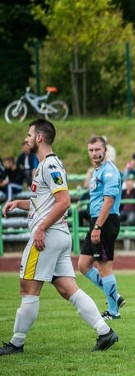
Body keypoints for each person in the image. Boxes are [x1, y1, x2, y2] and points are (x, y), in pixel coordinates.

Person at [0, 119, 118, 355]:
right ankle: (105, 332)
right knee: (68, 289)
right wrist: (20, 204)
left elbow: (64, 202)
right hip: (59, 236)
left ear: (40, 138)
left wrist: (41, 228)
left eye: (29, 134)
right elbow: (44, 203)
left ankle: (16, 343)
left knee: (28, 287)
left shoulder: (49, 165)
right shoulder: (46, 165)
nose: (26, 138)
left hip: (48, 237)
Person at [77, 136, 125, 321]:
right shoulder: (98, 171)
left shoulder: (109, 171)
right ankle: (115, 296)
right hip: (97, 222)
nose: (95, 153)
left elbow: (109, 201)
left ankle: (113, 311)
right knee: (83, 265)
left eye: (98, 149)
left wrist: (98, 226)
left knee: (104, 267)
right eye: (91, 150)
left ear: (105, 150)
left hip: (104, 222)